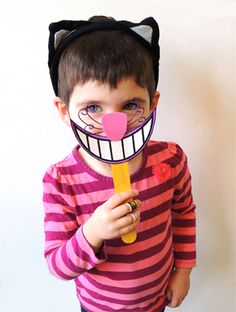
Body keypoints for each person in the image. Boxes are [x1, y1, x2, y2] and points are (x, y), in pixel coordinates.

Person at [43, 16, 196, 312]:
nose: (115, 125)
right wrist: (94, 232)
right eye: (92, 108)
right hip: (97, 306)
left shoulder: (171, 159)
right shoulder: (61, 180)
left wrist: (184, 270)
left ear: (152, 103)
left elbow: (184, 213)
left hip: (156, 301)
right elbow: (58, 266)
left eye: (129, 105)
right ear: (64, 110)